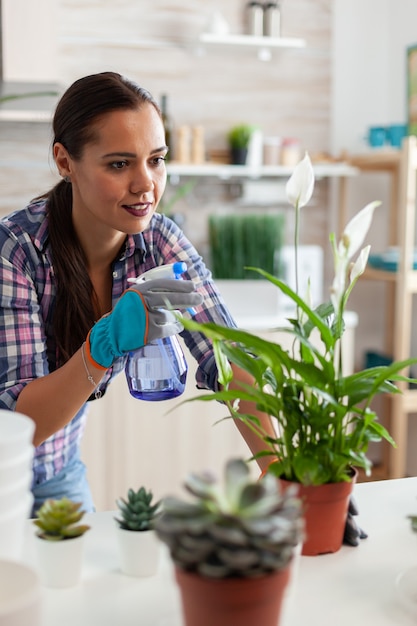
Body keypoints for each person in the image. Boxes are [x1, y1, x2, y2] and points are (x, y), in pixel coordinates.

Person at [0, 72, 275, 515]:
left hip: (56, 470)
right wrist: (101, 346)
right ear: (65, 162)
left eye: (156, 159)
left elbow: (230, 363)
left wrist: (282, 471)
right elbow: (19, 422)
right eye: (118, 164)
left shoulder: (161, 243)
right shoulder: (16, 251)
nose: (145, 183)